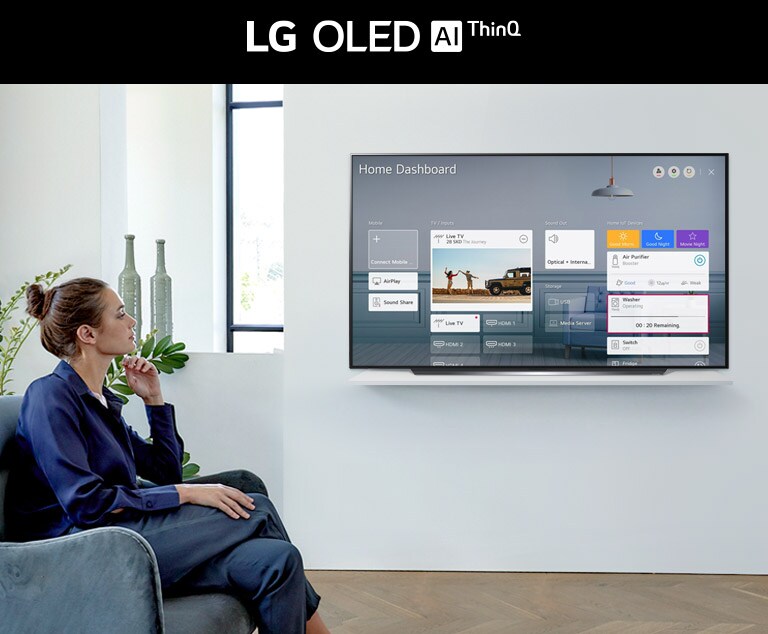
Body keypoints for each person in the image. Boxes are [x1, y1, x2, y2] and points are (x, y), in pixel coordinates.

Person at [6, 277, 330, 634]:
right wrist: (188, 493)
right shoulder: (50, 397)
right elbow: (85, 503)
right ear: (88, 334)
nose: (131, 323)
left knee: (279, 561)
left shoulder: (102, 403)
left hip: (123, 532)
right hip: (82, 549)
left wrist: (153, 401)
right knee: (258, 508)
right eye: (121, 315)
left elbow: (165, 470)